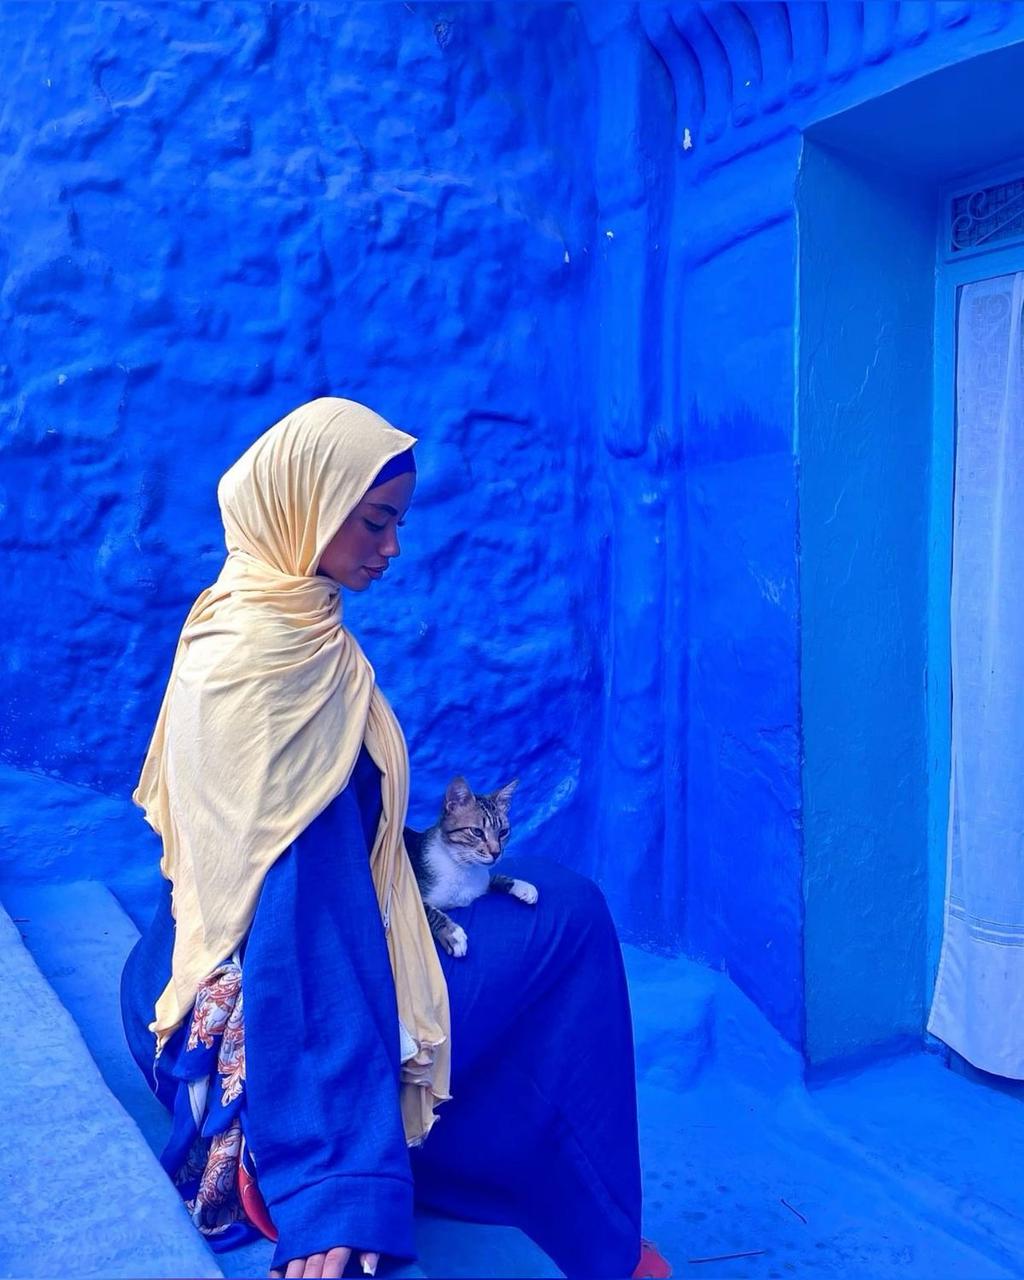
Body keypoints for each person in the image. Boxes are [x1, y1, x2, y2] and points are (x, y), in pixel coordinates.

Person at [119, 397, 672, 1280]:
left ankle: (434, 1147)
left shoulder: (232, 620)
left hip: (170, 985)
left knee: (507, 898)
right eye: (375, 522)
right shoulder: (290, 676)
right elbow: (304, 917)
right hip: (261, 1031)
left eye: (399, 524)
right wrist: (336, 1175)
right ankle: (580, 1222)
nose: (392, 547)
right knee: (572, 913)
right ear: (305, 503)